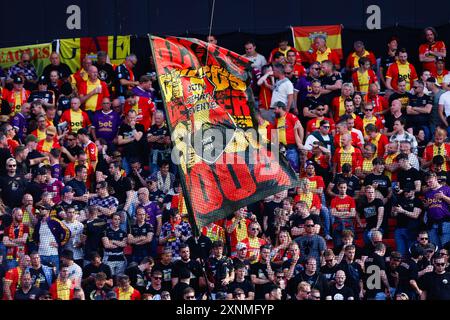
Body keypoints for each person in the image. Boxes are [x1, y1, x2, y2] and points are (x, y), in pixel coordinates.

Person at [33, 204, 70, 272]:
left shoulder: (54, 221)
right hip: (40, 254)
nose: (40, 210)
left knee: (55, 275)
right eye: (40, 208)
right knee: (42, 275)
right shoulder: (39, 223)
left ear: (48, 211)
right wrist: (37, 242)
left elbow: (67, 231)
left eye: (42, 208)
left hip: (52, 254)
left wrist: (60, 243)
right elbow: (34, 236)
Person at [423, 172, 450, 248]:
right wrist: (426, 205)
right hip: (432, 224)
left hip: (445, 223)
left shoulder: (447, 189)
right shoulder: (427, 193)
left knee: (445, 248)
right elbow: (426, 207)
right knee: (434, 248)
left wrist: (443, 196)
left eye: (430, 181)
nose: (429, 184)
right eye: (427, 182)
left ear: (436, 178)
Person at [102, 212, 128, 277]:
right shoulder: (105, 231)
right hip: (109, 257)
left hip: (120, 257)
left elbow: (124, 244)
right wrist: (119, 243)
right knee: (109, 277)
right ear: (111, 220)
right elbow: (106, 245)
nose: (117, 221)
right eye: (115, 219)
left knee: (120, 278)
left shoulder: (123, 232)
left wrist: (113, 241)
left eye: (118, 219)